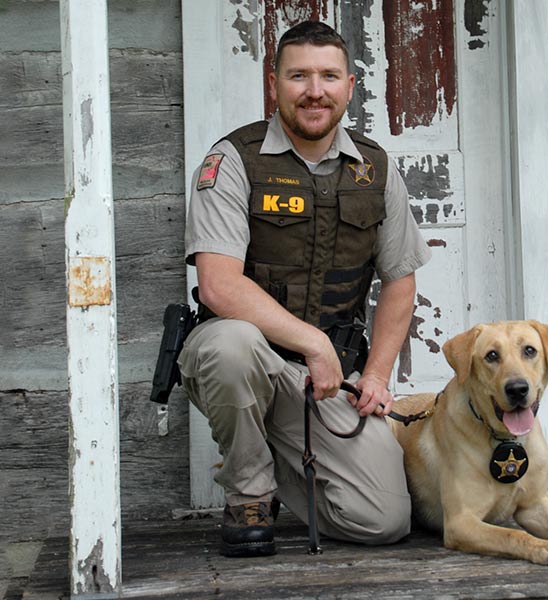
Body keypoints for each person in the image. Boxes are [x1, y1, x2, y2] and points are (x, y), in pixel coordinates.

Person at [178, 20, 431, 558]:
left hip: (326, 383)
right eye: (298, 76)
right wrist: (313, 343)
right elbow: (219, 287)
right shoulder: (232, 162)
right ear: (275, 84)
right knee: (230, 344)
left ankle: (267, 453)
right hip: (246, 362)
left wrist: (379, 374)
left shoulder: (375, 170)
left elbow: (400, 281)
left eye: (328, 76)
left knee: (383, 520)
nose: (314, 91)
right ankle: (249, 492)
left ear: (348, 87)